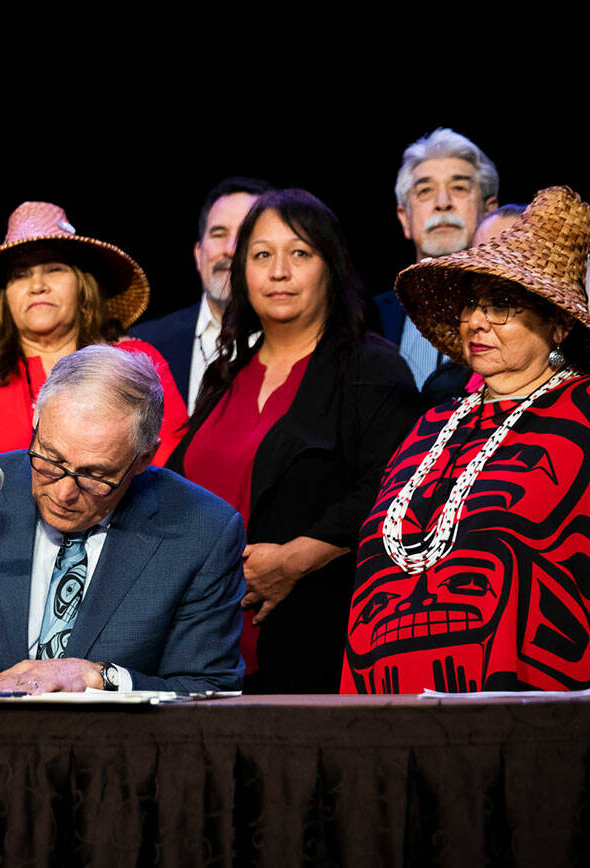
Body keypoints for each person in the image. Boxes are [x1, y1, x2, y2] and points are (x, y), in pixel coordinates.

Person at [341, 189, 590, 792]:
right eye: (472, 304)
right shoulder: (429, 425)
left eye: (502, 305)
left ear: (555, 320)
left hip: (542, 747)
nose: (477, 321)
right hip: (389, 737)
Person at [168, 189, 421, 694]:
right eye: (262, 255)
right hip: (199, 645)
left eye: (299, 253)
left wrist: (294, 561)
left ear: (331, 267)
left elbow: (399, 487)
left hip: (314, 637)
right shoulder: (226, 373)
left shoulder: (373, 367)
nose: (278, 272)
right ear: (242, 272)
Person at [0, 344, 245, 695]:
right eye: (50, 460)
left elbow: (207, 689)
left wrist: (101, 677)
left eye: (95, 476)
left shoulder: (202, 530)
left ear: (144, 457)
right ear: (36, 420)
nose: (64, 493)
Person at [0, 201, 187, 473]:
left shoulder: (136, 363)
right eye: (20, 274)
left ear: (82, 284)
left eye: (53, 269)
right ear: (5, 297)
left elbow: (171, 471)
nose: (37, 286)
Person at [131, 177, 274, 411]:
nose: (231, 249)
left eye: (247, 235)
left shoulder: (307, 347)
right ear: (198, 255)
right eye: (219, 234)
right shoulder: (147, 344)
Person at [374, 128, 500, 389]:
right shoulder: (368, 316)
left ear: (490, 211)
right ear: (404, 218)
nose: (443, 203)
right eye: (425, 191)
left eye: (459, 187)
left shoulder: (521, 308)